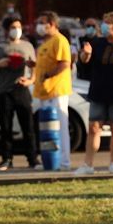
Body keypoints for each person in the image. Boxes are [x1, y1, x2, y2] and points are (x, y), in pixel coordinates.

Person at [75, 12, 113, 175]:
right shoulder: (97, 42)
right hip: (98, 91)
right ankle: (88, 164)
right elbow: (84, 62)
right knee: (94, 128)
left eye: (107, 23)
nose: (103, 26)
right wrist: (86, 54)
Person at [0, 16, 39, 171]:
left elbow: (35, 68)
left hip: (22, 89)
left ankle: (33, 158)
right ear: (6, 30)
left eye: (18, 26)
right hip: (4, 91)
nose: (16, 30)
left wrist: (30, 80)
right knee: (5, 127)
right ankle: (7, 159)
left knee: (28, 126)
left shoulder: (28, 45)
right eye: (13, 27)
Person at [31, 11, 74, 170]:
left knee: (60, 127)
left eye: (43, 22)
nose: (40, 26)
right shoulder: (45, 43)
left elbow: (64, 64)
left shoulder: (60, 40)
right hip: (44, 91)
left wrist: (49, 75)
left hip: (57, 90)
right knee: (47, 128)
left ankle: (63, 161)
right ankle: (50, 160)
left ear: (53, 24)